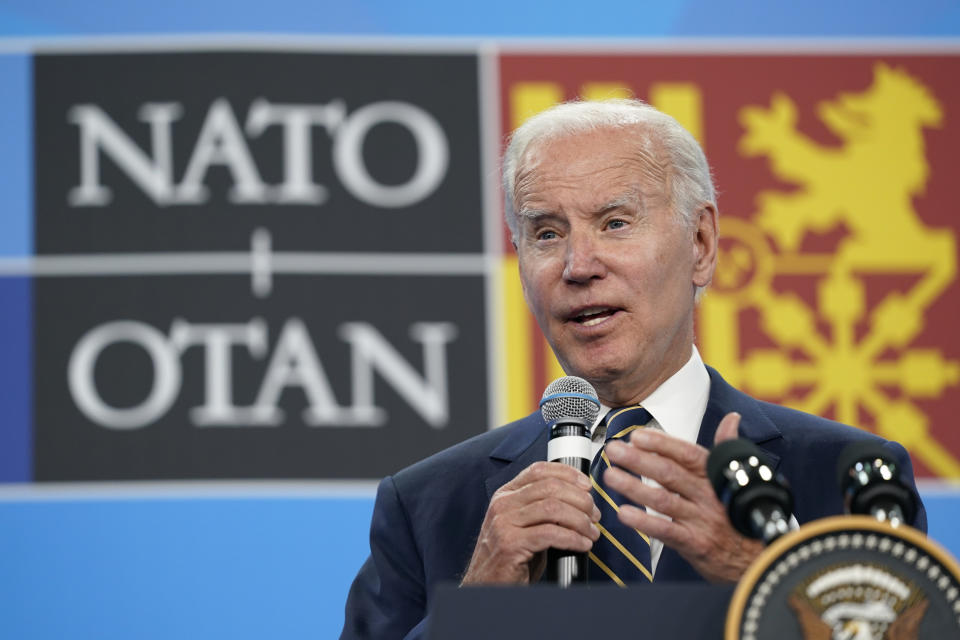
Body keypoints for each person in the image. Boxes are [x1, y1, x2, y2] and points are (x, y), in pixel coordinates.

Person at [339, 99, 926, 640]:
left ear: (700, 244)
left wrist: (763, 574)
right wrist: (477, 606)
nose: (578, 265)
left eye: (615, 223)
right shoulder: (429, 505)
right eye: (546, 233)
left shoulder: (847, 480)